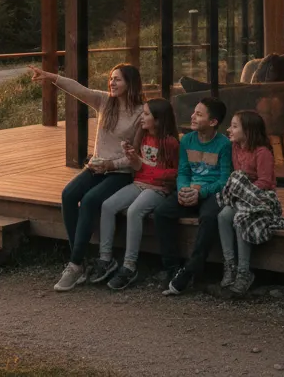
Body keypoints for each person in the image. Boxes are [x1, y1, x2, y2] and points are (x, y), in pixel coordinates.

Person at [28, 63, 145, 291]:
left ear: (130, 83)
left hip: (120, 172)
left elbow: (135, 156)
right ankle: (79, 261)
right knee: (69, 194)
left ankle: (74, 264)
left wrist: (111, 164)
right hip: (96, 167)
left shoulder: (141, 112)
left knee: (91, 200)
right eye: (111, 78)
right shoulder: (104, 102)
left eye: (118, 79)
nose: (112, 83)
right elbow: (78, 89)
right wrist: (50, 75)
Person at [88, 98, 180, 290]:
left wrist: (153, 173)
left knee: (134, 211)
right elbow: (139, 167)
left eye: (146, 114)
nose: (142, 117)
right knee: (108, 205)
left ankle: (129, 266)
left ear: (158, 119)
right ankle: (106, 259)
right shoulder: (143, 137)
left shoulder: (170, 143)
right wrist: (132, 158)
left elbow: (176, 172)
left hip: (158, 189)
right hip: (139, 183)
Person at [154, 96, 231, 296]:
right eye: (193, 112)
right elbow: (183, 172)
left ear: (213, 122)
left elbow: (224, 181)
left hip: (211, 192)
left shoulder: (223, 144)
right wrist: (183, 189)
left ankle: (191, 269)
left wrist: (200, 192)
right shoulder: (187, 140)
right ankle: (171, 269)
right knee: (162, 212)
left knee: (209, 217)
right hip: (190, 190)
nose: (193, 117)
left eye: (199, 114)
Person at [217, 110, 276, 297]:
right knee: (223, 215)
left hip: (260, 197)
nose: (229, 129)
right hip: (241, 197)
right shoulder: (235, 148)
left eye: (234, 126)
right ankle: (230, 265)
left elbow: (266, 182)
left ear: (248, 131)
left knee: (241, 218)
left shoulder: (262, 152)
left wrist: (241, 189)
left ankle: (244, 271)